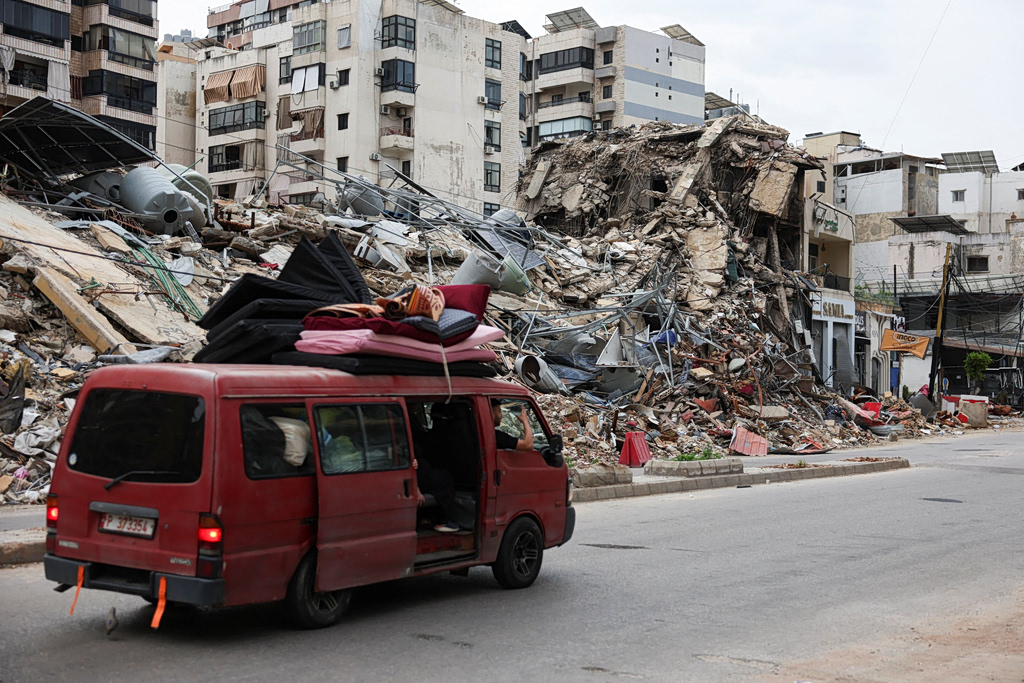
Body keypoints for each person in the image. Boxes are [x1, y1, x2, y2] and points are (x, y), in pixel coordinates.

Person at [413, 457, 459, 533]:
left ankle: (433, 518)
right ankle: (446, 520)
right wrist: (417, 490)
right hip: (416, 477)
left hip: (419, 473)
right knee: (445, 484)